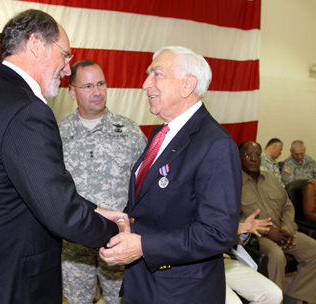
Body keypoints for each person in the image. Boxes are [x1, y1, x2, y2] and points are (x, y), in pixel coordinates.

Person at [0, 9, 128, 304]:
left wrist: (94, 212)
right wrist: (115, 234)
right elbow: (59, 210)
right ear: (36, 44)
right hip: (12, 284)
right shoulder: (26, 110)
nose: (67, 69)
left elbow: (29, 192)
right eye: (65, 55)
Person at [99, 46, 242, 303]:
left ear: (187, 85)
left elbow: (218, 232)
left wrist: (143, 246)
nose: (145, 84)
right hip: (144, 285)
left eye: (157, 75)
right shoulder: (160, 134)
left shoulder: (215, 144)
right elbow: (151, 203)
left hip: (180, 292)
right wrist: (123, 220)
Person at [59, 59, 147, 304]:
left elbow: (145, 185)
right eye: (87, 86)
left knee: (122, 300)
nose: (96, 92)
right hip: (74, 242)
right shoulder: (58, 134)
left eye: (101, 83)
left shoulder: (129, 132)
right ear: (72, 92)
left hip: (118, 238)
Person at [239, 141, 316, 304]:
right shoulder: (233, 184)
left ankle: (293, 296)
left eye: (257, 154)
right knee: (276, 255)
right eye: (248, 155)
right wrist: (267, 232)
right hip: (258, 237)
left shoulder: (272, 178)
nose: (253, 158)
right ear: (239, 158)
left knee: (313, 249)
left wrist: (287, 228)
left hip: (283, 231)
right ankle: (275, 300)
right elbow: (233, 220)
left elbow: (288, 206)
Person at [224, 209, 283, 304]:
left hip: (223, 259)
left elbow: (233, 236)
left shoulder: (221, 201)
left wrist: (244, 231)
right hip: (197, 265)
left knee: (273, 294)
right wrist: (226, 233)